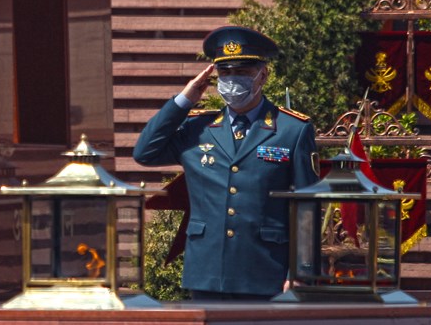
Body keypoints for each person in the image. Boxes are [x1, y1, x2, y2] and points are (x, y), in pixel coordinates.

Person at [133, 26, 319, 300]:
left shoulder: (292, 129)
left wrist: (301, 272)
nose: (233, 80)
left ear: (262, 75)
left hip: (266, 272)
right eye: (226, 73)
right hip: (208, 271)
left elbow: (307, 205)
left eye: (242, 72)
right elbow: (145, 152)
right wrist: (183, 101)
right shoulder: (197, 127)